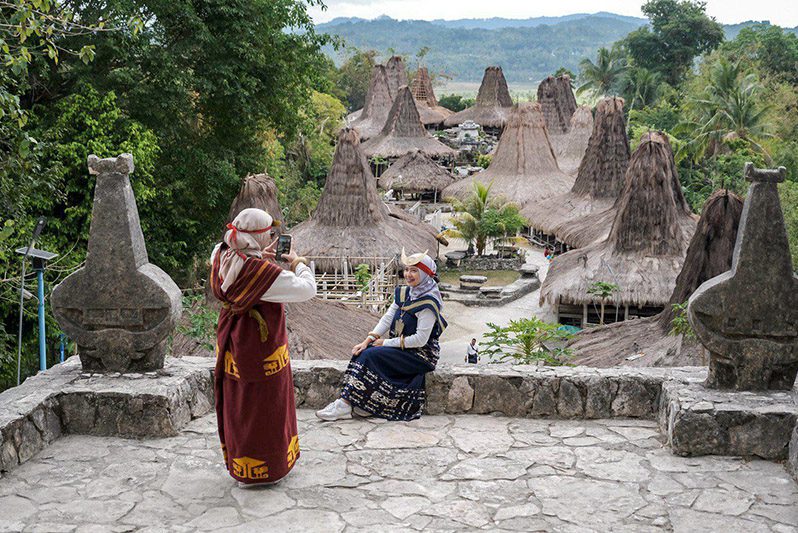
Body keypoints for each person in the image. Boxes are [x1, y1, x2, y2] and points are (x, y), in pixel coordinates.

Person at [209, 208, 316, 486]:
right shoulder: (264, 276)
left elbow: (238, 266)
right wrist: (298, 263)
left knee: (238, 402)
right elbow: (307, 289)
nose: (271, 236)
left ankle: (240, 460)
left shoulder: (221, 254)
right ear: (258, 236)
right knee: (265, 405)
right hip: (259, 346)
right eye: (267, 232)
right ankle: (268, 467)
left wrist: (258, 255)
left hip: (232, 341)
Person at [316, 249, 447, 421]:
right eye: (407, 269)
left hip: (421, 355)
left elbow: (420, 340)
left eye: (414, 270)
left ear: (425, 273)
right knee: (362, 351)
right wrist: (367, 340)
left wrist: (385, 343)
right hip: (402, 347)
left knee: (370, 355)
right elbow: (387, 318)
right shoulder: (404, 293)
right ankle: (359, 403)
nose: (408, 274)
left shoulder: (429, 302)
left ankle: (344, 404)